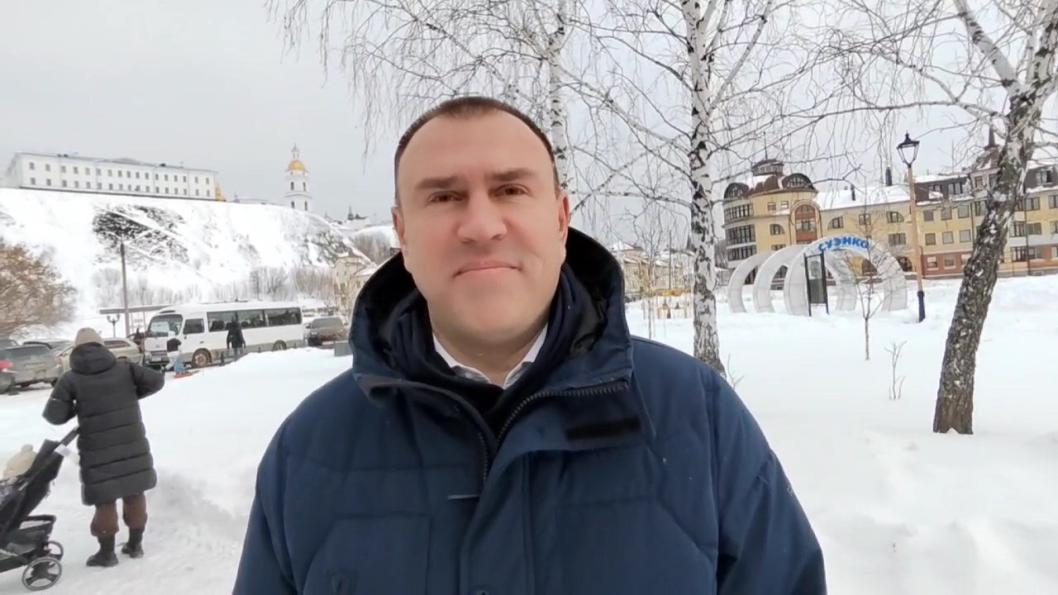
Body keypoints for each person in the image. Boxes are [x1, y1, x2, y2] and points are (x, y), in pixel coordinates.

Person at [234, 97, 825, 594]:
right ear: (403, 235)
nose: (481, 226)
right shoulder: (309, 452)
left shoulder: (697, 418)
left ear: (561, 220)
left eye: (511, 189)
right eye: (443, 197)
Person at [43, 328, 164, 568]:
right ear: (102, 346)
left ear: (76, 350)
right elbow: (157, 380)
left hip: (96, 448)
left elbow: (54, 416)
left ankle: (107, 554)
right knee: (134, 491)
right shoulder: (125, 368)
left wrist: (76, 408)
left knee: (104, 498)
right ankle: (135, 545)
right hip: (131, 442)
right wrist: (132, 394)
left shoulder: (71, 378)